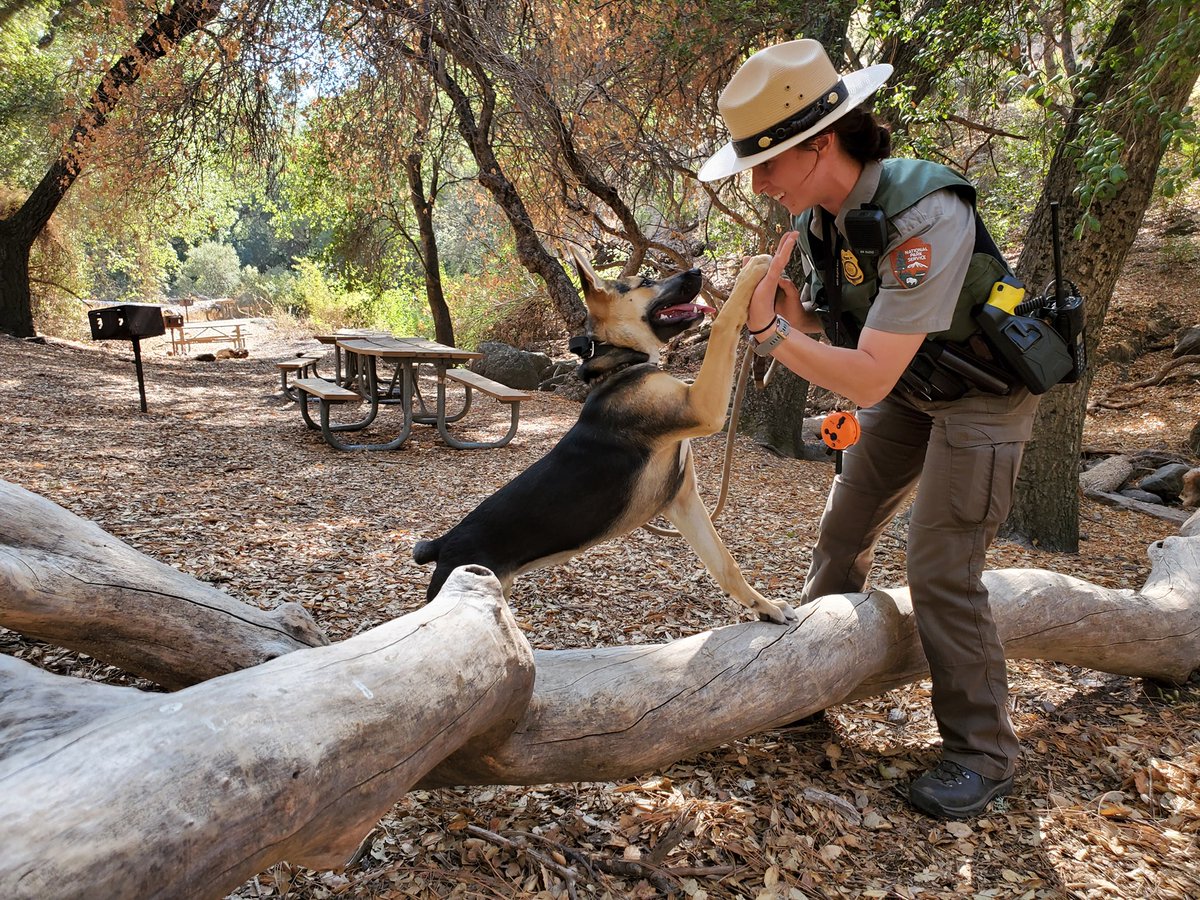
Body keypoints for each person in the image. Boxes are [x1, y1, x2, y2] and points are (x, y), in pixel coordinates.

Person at [698, 39, 1040, 820]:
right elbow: (845, 329)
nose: (757, 182)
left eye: (768, 161)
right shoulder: (825, 219)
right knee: (842, 526)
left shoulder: (928, 211)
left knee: (940, 565)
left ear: (822, 143)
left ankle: (983, 752)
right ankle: (809, 682)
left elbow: (872, 372)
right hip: (915, 391)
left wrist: (768, 339)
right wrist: (788, 308)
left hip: (984, 398)